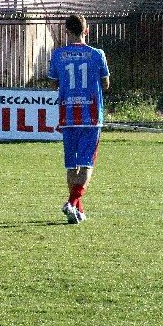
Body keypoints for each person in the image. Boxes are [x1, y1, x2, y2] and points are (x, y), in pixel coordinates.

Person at [47, 14, 110, 224]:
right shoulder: (97, 54)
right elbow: (106, 83)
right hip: (90, 116)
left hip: (68, 115)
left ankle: (77, 210)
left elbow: (53, 84)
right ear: (87, 30)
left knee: (71, 166)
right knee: (86, 164)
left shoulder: (57, 55)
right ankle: (72, 203)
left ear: (66, 31)